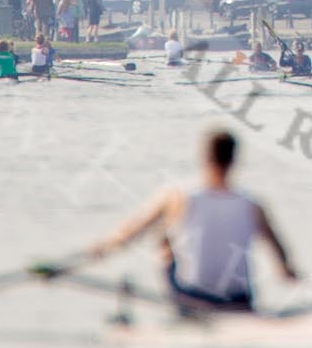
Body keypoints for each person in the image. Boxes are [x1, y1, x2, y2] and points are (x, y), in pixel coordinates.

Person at [87, 130, 296, 312]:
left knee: (164, 236)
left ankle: (186, 305)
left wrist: (103, 247)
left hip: (192, 296)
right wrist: (288, 270)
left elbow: (132, 231)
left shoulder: (177, 196)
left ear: (205, 158)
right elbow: (282, 259)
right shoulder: (253, 204)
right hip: (239, 298)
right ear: (234, 161)